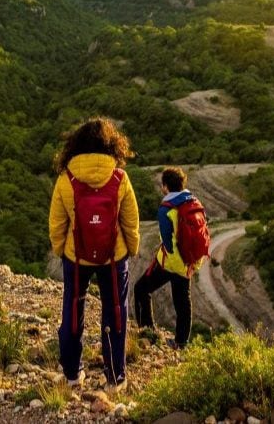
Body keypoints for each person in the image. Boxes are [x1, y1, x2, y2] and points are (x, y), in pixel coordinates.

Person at [48, 117, 139, 391]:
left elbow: (57, 223)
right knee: (115, 312)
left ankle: (72, 375)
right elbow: (130, 221)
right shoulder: (120, 178)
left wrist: (61, 250)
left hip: (77, 257)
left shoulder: (66, 180)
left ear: (74, 146)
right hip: (113, 258)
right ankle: (115, 378)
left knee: (73, 310)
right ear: (112, 145)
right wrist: (131, 248)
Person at [133, 167, 205, 350]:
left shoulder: (166, 209)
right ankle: (181, 343)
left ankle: (146, 331)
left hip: (171, 263)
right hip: (190, 261)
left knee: (141, 289)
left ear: (165, 186)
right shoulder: (194, 202)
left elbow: (167, 240)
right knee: (183, 303)